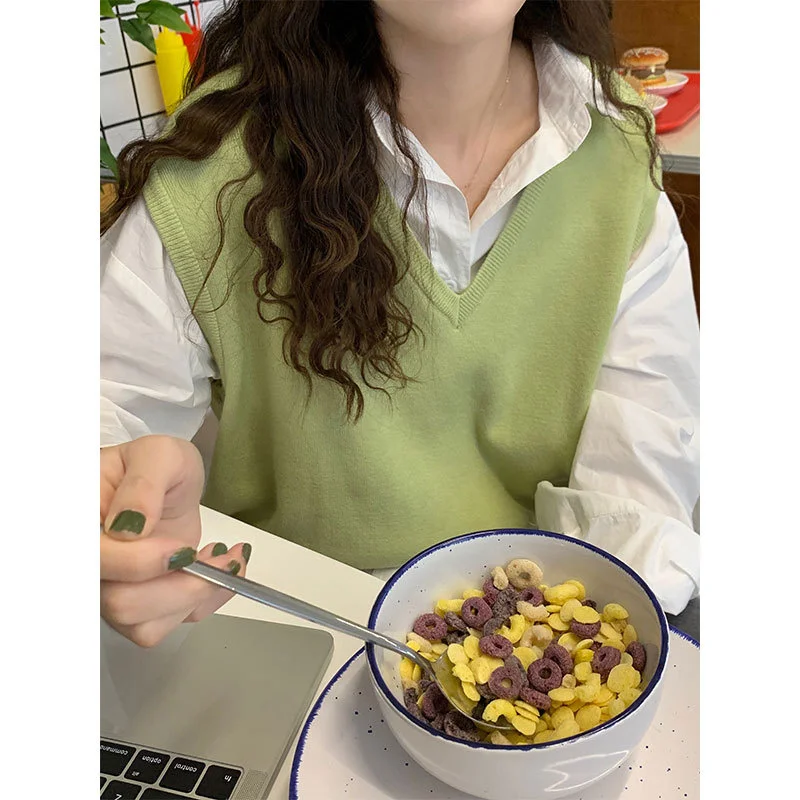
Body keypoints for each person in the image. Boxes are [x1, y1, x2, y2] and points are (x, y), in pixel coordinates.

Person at [100, 0, 699, 647]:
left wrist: (582, 645)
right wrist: (119, 516)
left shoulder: (615, 146)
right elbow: (106, 413)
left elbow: (641, 471)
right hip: (297, 633)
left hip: (546, 628)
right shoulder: (215, 168)